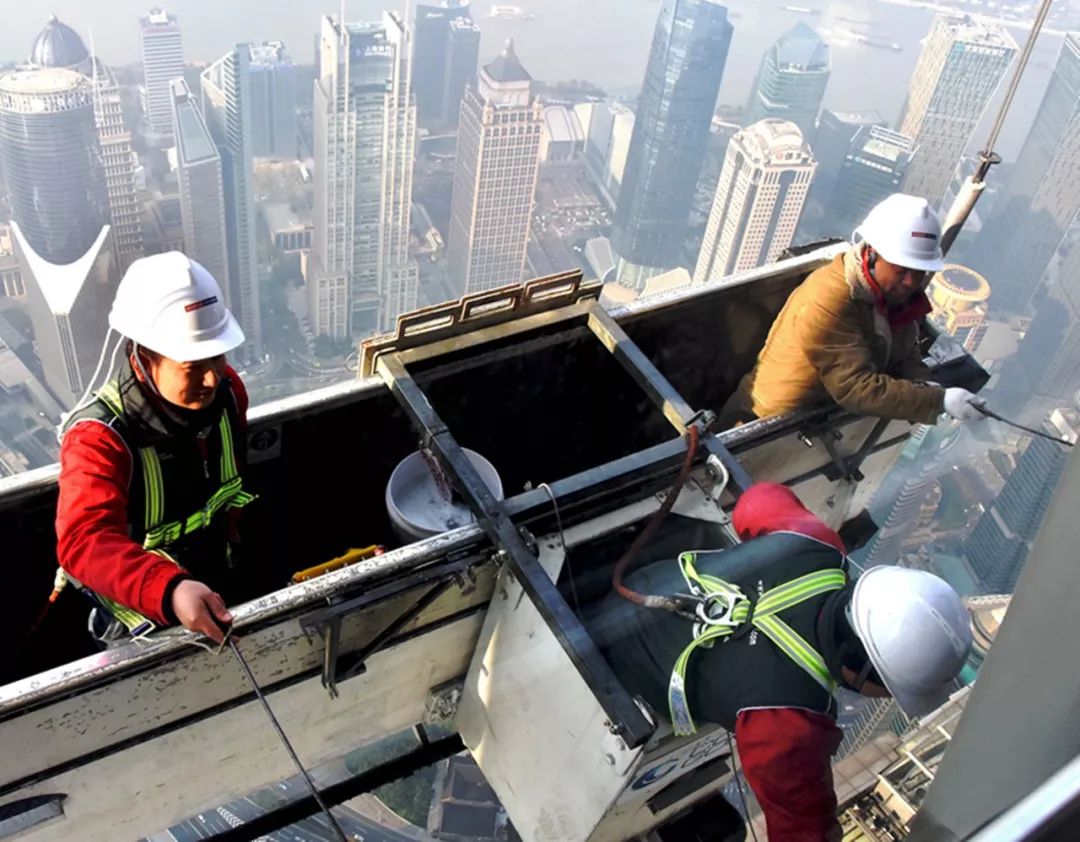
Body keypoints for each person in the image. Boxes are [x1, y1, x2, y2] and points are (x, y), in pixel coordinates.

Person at [594, 483, 972, 841]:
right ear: (863, 670)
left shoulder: (816, 546)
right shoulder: (791, 722)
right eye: (890, 689)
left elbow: (757, 501)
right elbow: (803, 831)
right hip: (623, 678)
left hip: (625, 594)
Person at [56, 252, 254, 644]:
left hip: (213, 578)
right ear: (146, 358)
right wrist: (170, 589)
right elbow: (84, 540)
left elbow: (228, 483)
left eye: (216, 356)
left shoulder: (230, 392)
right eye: (192, 365)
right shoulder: (98, 438)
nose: (212, 378)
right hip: (143, 619)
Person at [721, 193, 986, 426]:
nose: (910, 281)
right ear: (871, 253)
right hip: (761, 422)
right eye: (901, 269)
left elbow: (905, 351)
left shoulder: (893, 293)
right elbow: (854, 387)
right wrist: (937, 400)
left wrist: (927, 385)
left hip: (814, 420)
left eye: (919, 272)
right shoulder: (827, 298)